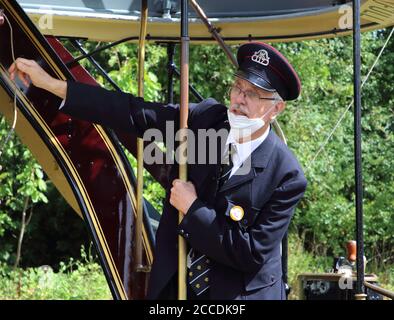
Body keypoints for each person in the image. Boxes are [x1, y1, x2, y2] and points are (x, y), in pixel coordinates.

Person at [8, 42, 307, 300]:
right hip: (176, 288)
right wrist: (49, 83)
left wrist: (193, 208)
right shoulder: (204, 120)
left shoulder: (286, 175)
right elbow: (133, 113)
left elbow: (250, 253)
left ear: (276, 108)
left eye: (253, 94)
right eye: (238, 87)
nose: (239, 99)